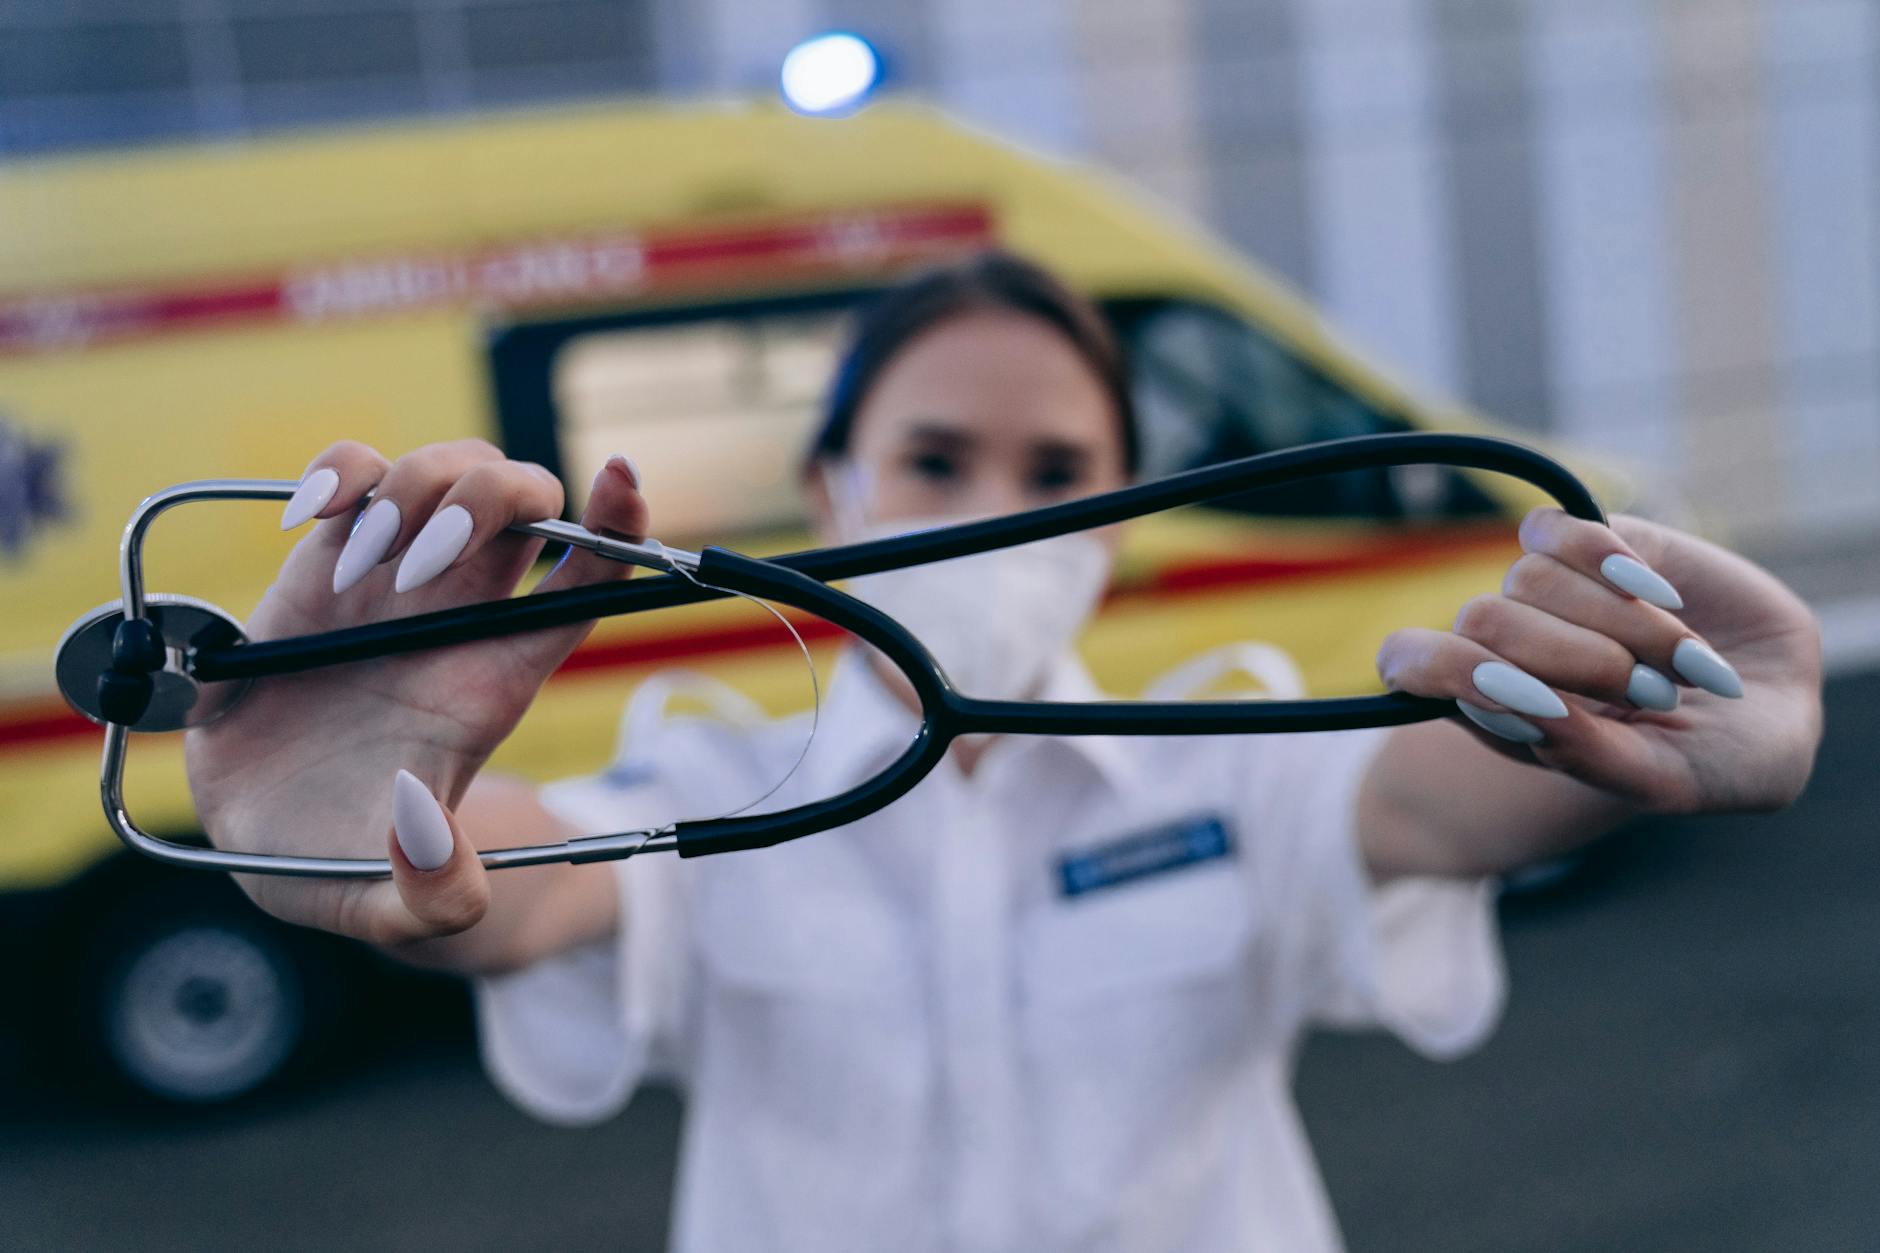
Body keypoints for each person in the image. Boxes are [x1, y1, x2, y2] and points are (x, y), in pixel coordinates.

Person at [187, 252, 1824, 1252]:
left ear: (1121, 519)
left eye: (1061, 465)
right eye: (934, 453)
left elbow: (1423, 800)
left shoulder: (1222, 761)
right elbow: (534, 890)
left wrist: (1659, 718)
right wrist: (356, 826)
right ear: (832, 494)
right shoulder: (718, 792)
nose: (997, 505)